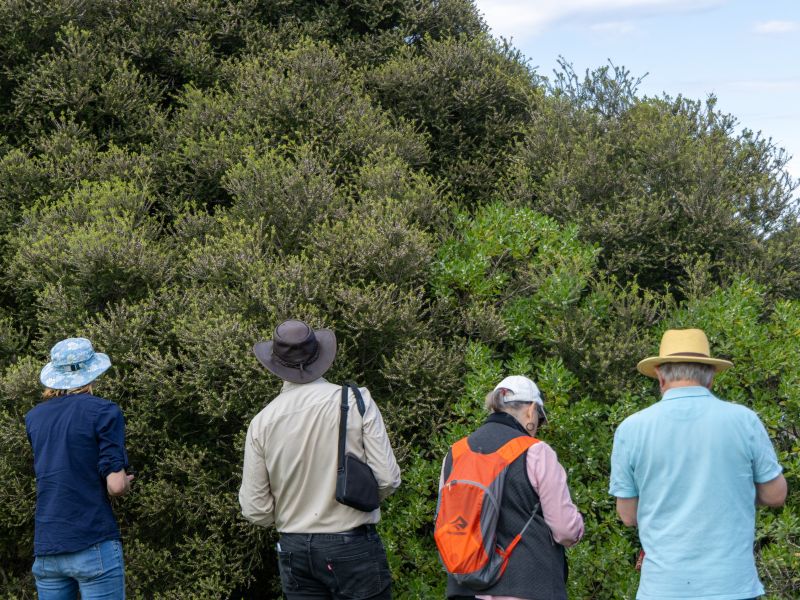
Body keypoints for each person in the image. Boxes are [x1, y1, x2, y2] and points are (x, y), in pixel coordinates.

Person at [610, 328, 788, 600]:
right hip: (731, 585)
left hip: (663, 587)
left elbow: (628, 515)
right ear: (711, 376)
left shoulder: (631, 428)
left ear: (660, 376)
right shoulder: (744, 420)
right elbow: (775, 495)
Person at [239, 319, 402, 599]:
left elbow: (255, 509)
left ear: (276, 364)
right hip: (351, 544)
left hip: (295, 550)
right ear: (319, 357)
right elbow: (387, 479)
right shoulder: (356, 401)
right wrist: (356, 504)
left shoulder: (262, 422)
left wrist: (296, 516)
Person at [440, 375, 584, 600]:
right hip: (528, 586)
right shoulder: (536, 451)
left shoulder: (455, 453)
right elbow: (565, 530)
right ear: (531, 410)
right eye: (540, 418)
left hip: (465, 589)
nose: (538, 426)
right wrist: (578, 525)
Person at [25, 337, 134, 599]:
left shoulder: (34, 418)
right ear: (91, 372)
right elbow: (116, 486)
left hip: (48, 547)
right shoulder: (104, 411)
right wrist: (127, 482)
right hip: (92, 540)